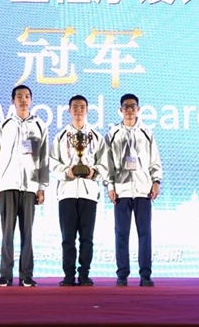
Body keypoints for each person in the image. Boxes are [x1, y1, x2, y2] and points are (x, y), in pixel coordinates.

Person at [0, 84, 49, 287]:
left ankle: (26, 275)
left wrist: (41, 186)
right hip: (7, 185)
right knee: (7, 233)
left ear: (31, 100)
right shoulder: (4, 125)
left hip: (30, 186)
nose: (23, 100)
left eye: (26, 96)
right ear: (13, 100)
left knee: (27, 233)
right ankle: (5, 275)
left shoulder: (40, 125)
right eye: (19, 96)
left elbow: (43, 158)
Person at [104, 93, 163, 287]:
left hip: (143, 191)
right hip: (121, 191)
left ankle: (145, 275)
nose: (129, 109)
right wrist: (110, 186)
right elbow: (107, 163)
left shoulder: (147, 133)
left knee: (145, 233)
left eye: (133, 106)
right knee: (121, 234)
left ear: (138, 109)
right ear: (120, 110)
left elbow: (154, 161)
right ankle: (122, 274)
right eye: (126, 106)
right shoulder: (112, 134)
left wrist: (156, 181)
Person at [49, 95, 108, 287]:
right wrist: (66, 172)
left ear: (87, 110)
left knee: (87, 238)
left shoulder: (96, 136)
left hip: (88, 193)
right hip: (66, 193)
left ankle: (84, 274)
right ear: (69, 110)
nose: (78, 110)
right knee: (67, 238)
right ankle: (68, 275)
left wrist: (93, 172)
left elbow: (105, 164)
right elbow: (52, 162)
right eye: (75, 107)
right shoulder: (61, 136)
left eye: (82, 107)